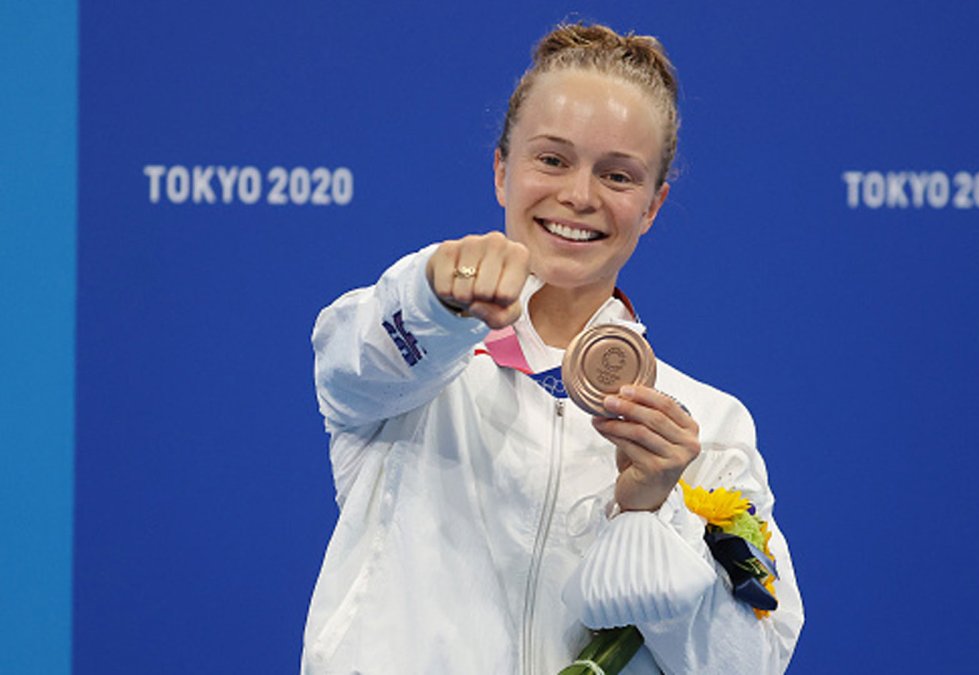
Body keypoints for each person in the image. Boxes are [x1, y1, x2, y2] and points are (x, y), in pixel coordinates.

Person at [301, 22, 804, 674]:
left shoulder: (702, 427)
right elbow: (352, 362)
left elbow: (750, 662)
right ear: (501, 169)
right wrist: (435, 297)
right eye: (552, 159)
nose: (579, 195)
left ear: (653, 205)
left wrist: (657, 511)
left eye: (618, 175)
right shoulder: (415, 364)